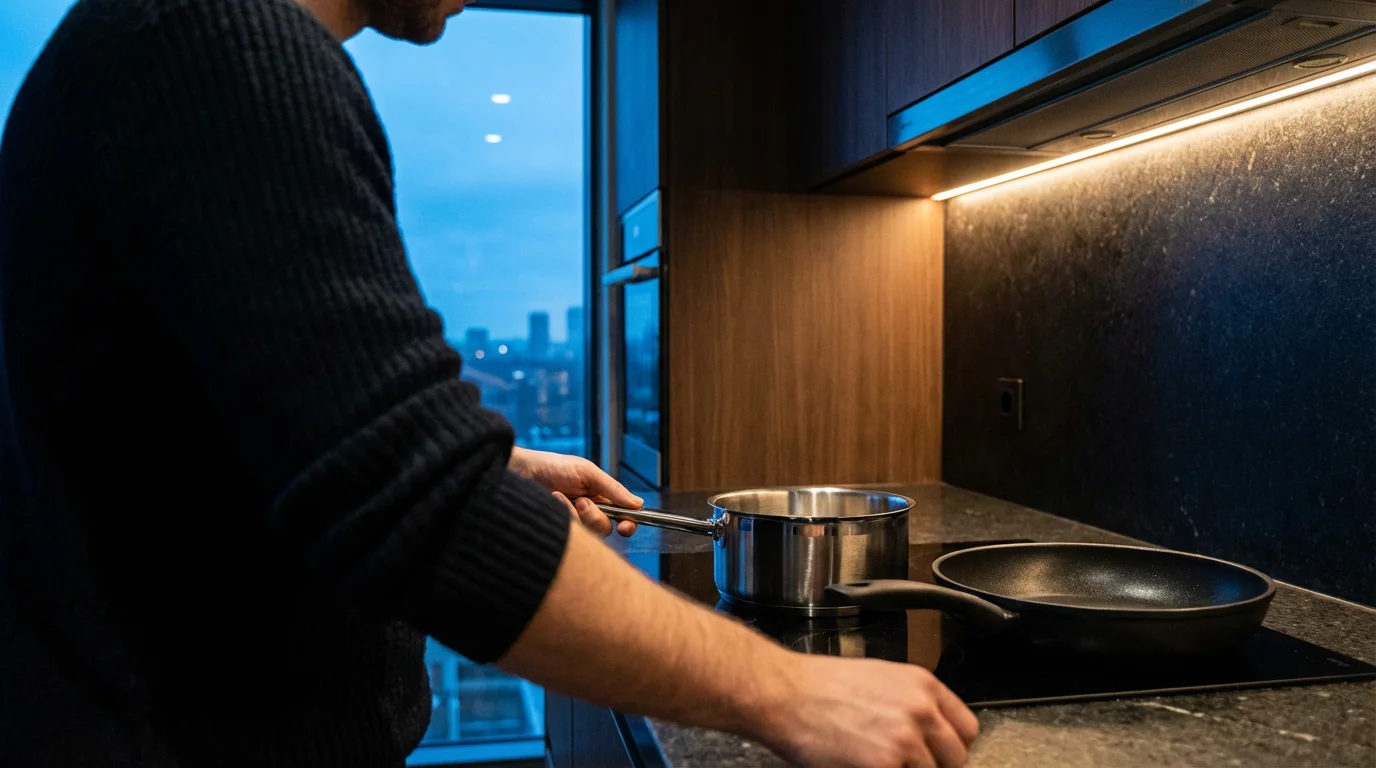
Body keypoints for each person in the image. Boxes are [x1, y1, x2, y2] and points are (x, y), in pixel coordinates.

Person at [0, 0, 979, 766]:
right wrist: (792, 693)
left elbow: (224, 433)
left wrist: (491, 470)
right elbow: (423, 519)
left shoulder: (171, 42)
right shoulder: (222, 47)